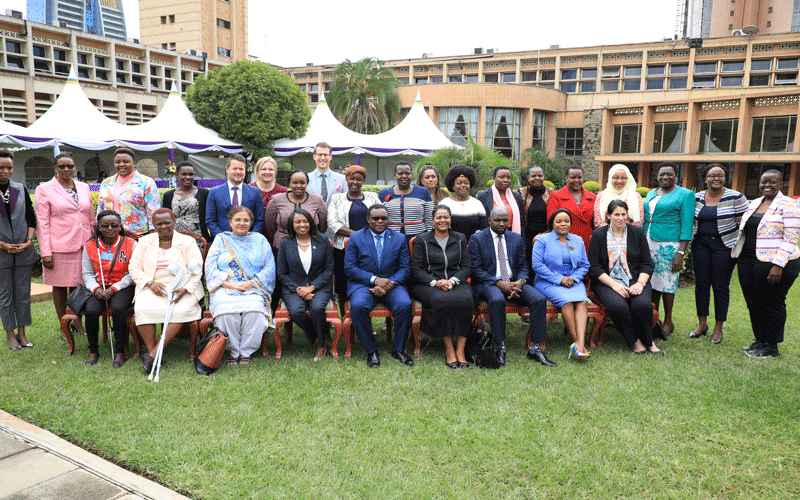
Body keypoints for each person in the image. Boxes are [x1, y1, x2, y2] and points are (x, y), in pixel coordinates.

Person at [469, 207, 550, 367]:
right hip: (489, 282)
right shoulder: (477, 239)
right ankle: (500, 347)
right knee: (497, 299)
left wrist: (520, 281)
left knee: (539, 299)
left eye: (505, 220)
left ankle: (535, 348)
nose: (502, 223)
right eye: (498, 220)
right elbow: (476, 270)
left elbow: (522, 266)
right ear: (489, 221)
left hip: (513, 282)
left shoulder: (515, 238)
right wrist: (500, 284)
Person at [732, 169, 800, 358]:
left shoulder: (789, 204)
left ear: (781, 184)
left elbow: (791, 237)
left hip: (776, 262)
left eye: (772, 182)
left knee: (772, 302)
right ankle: (759, 341)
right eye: (763, 182)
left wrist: (778, 265)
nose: (767, 185)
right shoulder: (755, 203)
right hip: (748, 259)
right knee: (753, 302)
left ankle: (772, 346)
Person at [129, 208, 204, 373]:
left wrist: (185, 288)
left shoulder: (187, 241)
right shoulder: (144, 241)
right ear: (153, 225)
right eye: (159, 223)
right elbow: (133, 268)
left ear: (174, 222)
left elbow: (197, 268)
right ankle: (152, 352)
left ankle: (155, 354)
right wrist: (150, 283)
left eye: (167, 222)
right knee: (142, 308)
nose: (164, 226)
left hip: (183, 285)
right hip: (153, 285)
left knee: (181, 309)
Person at [344, 204, 414, 368]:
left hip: (392, 283)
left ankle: (398, 349)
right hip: (363, 284)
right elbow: (350, 268)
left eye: (384, 218)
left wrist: (388, 284)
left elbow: (405, 268)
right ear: (368, 219)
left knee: (404, 305)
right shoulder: (356, 238)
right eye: (376, 218)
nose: (380, 221)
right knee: (358, 306)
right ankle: (371, 351)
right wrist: (375, 280)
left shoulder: (398, 238)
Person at [588, 200, 662, 355]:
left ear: (628, 215)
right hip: (607, 282)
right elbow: (594, 267)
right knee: (618, 306)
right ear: (608, 215)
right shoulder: (598, 235)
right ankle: (634, 341)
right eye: (616, 214)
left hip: (635, 279)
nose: (620, 218)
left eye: (623, 214)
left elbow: (647, 263)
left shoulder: (637, 233)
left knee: (642, 305)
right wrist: (615, 285)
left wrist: (640, 283)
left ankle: (649, 341)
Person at [34, 152, 95, 337]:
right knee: (60, 286)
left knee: (80, 285)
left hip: (84, 245)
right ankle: (64, 326)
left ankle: (77, 321)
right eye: (62, 166)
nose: (66, 169)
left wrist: (94, 243)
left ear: (75, 167)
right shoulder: (44, 189)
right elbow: (42, 223)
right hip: (59, 246)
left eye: (70, 166)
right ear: (55, 168)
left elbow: (90, 216)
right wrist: (46, 252)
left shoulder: (83, 187)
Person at [205, 207, 275, 366]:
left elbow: (269, 268)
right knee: (226, 310)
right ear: (230, 222)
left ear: (251, 222)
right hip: (225, 286)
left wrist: (250, 283)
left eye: (246, 220)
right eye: (238, 220)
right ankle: (233, 350)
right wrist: (230, 285)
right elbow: (210, 268)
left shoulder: (260, 240)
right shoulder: (221, 239)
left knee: (255, 310)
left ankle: (246, 351)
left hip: (253, 286)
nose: (242, 223)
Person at [689, 163, 748, 344]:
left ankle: (718, 327)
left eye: (720, 175)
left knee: (720, 287)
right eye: (712, 175)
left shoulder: (736, 197)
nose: (716, 179)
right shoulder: (697, 197)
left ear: (726, 178)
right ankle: (702, 323)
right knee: (701, 285)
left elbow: (744, 225)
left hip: (724, 246)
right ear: (705, 178)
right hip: (700, 245)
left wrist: (739, 250)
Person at [410, 205, 473, 368]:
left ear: (450, 219)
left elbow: (467, 266)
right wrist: (436, 282)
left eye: (446, 217)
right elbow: (416, 269)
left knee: (466, 300)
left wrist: (452, 281)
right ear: (433, 220)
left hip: (455, 281)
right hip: (427, 283)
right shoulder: (422, 239)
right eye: (439, 217)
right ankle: (449, 349)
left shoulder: (460, 238)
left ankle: (461, 350)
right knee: (442, 300)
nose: (442, 220)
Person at [531, 209, 591, 360]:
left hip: (573, 281)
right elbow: (537, 266)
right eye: (558, 221)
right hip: (548, 281)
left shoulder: (577, 240)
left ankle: (579, 343)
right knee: (567, 303)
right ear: (552, 224)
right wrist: (560, 279)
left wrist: (574, 278)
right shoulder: (542, 240)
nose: (563, 224)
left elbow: (584, 265)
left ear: (571, 223)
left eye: (566, 221)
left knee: (582, 302)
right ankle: (579, 344)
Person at [642, 162, 694, 336]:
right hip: (648, 240)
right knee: (652, 281)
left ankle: (669, 320)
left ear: (676, 176)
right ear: (657, 176)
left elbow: (687, 224)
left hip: (669, 244)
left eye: (669, 174)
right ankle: (653, 317)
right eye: (662, 174)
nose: (665, 177)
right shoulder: (651, 193)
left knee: (667, 282)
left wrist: (681, 252)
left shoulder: (685, 194)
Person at [81, 210, 137, 367]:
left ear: (120, 227)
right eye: (105, 226)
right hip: (99, 286)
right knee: (91, 311)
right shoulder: (90, 246)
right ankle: (93, 351)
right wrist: (95, 288)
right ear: (99, 227)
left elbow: (133, 273)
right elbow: (87, 273)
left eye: (114, 225)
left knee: (118, 308)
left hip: (123, 286)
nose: (110, 228)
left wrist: (115, 288)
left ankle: (119, 351)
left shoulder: (131, 244)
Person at [277, 210, 334, 361]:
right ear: (292, 224)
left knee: (316, 308)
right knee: (296, 312)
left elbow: (329, 270)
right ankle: (321, 338)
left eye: (305, 221)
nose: (302, 225)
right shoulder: (285, 243)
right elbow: (281, 273)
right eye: (298, 222)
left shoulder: (323, 240)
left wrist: (312, 287)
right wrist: (299, 289)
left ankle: (321, 346)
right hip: (294, 287)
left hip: (320, 286)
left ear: (311, 223)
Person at [0, 149, 36, 351]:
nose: (6, 171)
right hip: (1, 253)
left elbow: (31, 218)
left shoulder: (20, 188)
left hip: (23, 250)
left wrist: (29, 241)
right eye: (1, 167)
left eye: (9, 167)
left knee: (23, 294)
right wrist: (2, 244)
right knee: (5, 295)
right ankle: (10, 334)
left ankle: (22, 333)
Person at [327, 165, 380, 303]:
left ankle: (364, 317)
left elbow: (381, 217)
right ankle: (345, 322)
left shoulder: (372, 196)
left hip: (369, 247)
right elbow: (332, 223)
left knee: (367, 282)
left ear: (363, 181)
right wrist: (357, 236)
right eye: (351, 179)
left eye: (359, 179)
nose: (355, 182)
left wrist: (366, 237)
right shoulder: (337, 198)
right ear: (346, 179)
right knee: (343, 285)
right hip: (343, 248)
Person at [96, 148, 161, 237]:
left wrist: (153, 232)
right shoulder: (106, 183)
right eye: (118, 162)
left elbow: (153, 209)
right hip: (110, 233)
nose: (121, 164)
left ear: (134, 163)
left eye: (126, 161)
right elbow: (101, 208)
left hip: (137, 234)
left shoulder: (146, 182)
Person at [205, 154, 264, 240]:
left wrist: (251, 237)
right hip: (224, 243)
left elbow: (260, 220)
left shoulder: (254, 192)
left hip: (248, 242)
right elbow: (210, 221)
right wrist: (224, 238)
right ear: (227, 169)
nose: (238, 172)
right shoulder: (214, 192)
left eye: (241, 169)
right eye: (235, 168)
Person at [265, 169, 328, 250]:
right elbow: (270, 225)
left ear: (307, 183)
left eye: (302, 183)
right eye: (295, 183)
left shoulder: (317, 200)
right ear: (289, 183)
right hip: (283, 246)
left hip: (311, 246)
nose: (299, 186)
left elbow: (323, 226)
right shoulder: (276, 200)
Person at [378, 161, 433, 241]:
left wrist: (429, 236)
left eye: (407, 173)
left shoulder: (423, 192)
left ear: (411, 175)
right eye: (400, 174)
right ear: (394, 175)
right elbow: (380, 217)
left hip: (418, 237)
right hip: (391, 238)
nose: (404, 176)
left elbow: (429, 217)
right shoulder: (384, 193)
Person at [547, 165, 595, 252]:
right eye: (573, 177)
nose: (576, 180)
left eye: (579, 177)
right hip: (565, 241)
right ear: (566, 178)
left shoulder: (592, 197)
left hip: (588, 242)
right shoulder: (556, 196)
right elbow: (550, 221)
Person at [161, 161, 210, 245]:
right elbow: (166, 219)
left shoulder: (204, 193)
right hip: (175, 240)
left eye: (191, 174)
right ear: (177, 175)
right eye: (183, 174)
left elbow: (209, 217)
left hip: (199, 240)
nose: (188, 177)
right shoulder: (168, 195)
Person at [518, 164, 553, 272]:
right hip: (527, 237)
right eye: (533, 176)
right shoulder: (521, 193)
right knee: (529, 265)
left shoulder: (552, 193)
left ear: (544, 177)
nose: (537, 178)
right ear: (528, 178)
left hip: (548, 236)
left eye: (540, 175)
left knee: (546, 264)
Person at [439, 164, 487, 241]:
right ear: (453, 186)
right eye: (459, 183)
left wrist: (473, 242)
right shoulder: (444, 204)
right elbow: (439, 227)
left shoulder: (477, 204)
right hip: (449, 245)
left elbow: (483, 228)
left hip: (473, 245)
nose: (463, 185)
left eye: (466, 183)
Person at [476, 165, 524, 236]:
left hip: (512, 235)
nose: (505, 180)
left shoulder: (516, 196)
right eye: (501, 177)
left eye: (508, 178)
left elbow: (522, 221)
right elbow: (479, 220)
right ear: (494, 178)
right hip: (489, 236)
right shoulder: (483, 195)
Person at [593, 164, 644, 228]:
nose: (619, 181)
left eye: (623, 178)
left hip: (630, 235)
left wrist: (625, 233)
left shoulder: (635, 196)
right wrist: (612, 233)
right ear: (610, 177)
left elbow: (639, 220)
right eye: (616, 177)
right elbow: (598, 220)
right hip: (606, 235)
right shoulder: (601, 196)